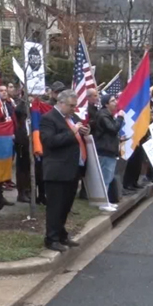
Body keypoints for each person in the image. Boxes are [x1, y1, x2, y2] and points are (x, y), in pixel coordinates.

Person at [39, 90, 88, 252]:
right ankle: (51, 238)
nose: (74, 108)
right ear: (61, 103)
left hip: (73, 169)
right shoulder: (49, 119)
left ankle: (61, 234)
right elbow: (50, 141)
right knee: (55, 206)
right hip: (57, 170)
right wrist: (72, 132)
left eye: (75, 105)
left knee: (66, 205)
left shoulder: (72, 118)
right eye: (71, 105)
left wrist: (84, 132)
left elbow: (77, 136)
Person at [92, 94, 125, 212]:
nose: (115, 103)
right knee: (105, 176)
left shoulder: (107, 115)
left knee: (108, 176)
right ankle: (103, 202)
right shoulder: (103, 115)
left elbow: (110, 132)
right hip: (105, 150)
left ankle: (106, 200)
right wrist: (120, 118)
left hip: (109, 149)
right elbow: (112, 129)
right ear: (106, 104)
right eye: (112, 101)